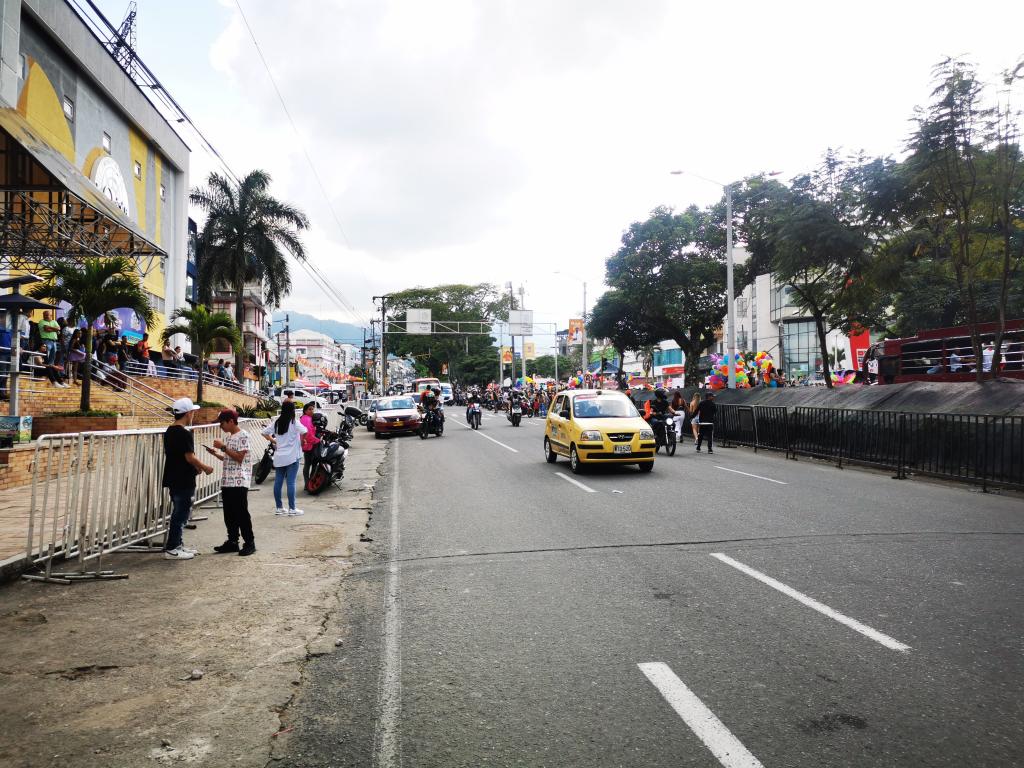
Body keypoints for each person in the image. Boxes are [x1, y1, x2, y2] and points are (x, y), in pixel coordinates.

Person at [162, 398, 213, 560]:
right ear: (188, 413)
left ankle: (178, 545)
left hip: (173, 476)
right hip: (183, 478)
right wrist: (205, 467)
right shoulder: (184, 433)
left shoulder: (170, 431)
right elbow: (189, 457)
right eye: (193, 412)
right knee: (181, 513)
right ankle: (172, 548)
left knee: (180, 511)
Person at [207, 409, 255, 556]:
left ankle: (249, 542)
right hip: (228, 480)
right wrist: (217, 454)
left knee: (241, 513)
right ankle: (232, 541)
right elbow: (230, 458)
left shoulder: (243, 435)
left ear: (231, 421)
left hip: (239, 481)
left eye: (222, 423)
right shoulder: (230, 437)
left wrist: (223, 447)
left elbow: (240, 458)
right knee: (229, 514)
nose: (221, 426)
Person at [262, 400, 307, 516]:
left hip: (279, 456)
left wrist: (273, 440)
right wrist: (301, 441)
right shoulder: (294, 422)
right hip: (292, 457)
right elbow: (305, 431)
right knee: (291, 483)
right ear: (292, 410)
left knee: (278, 482)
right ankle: (292, 509)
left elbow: (264, 432)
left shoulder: (277, 422)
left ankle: (279, 508)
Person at [299, 401, 321, 487]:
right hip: (309, 444)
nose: (312, 411)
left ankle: (309, 483)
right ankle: (308, 483)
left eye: (313, 409)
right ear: (305, 411)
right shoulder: (306, 419)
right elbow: (308, 434)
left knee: (310, 464)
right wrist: (317, 441)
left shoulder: (307, 418)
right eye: (309, 409)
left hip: (309, 444)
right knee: (310, 464)